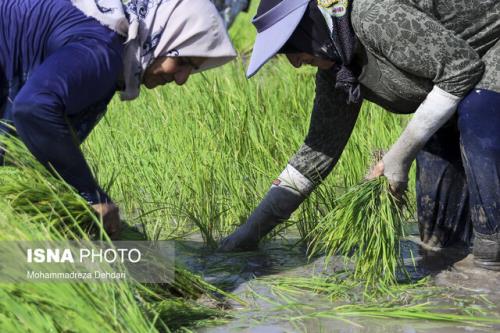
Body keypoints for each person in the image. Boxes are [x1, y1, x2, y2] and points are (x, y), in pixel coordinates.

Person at [219, 0, 500, 271]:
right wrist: (246, 235)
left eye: (291, 48)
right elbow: (317, 152)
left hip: (489, 49)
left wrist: (398, 158)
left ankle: (489, 274)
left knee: (479, 113)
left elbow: (461, 70)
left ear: (312, 27)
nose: (294, 63)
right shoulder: (338, 71)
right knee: (437, 242)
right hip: (455, 80)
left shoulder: (373, 15)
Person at [0, 0, 236, 238]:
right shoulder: (100, 49)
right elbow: (33, 108)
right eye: (183, 62)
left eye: (192, 69)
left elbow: (35, 138)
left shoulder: (105, 40)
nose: (182, 79)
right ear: (163, 35)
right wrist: (92, 196)